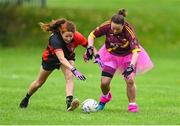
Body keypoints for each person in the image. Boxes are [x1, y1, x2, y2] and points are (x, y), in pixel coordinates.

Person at [85, 9, 154, 112]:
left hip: (128, 56)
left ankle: (132, 105)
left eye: (118, 29)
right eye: (113, 28)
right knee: (104, 83)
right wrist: (90, 47)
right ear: (111, 24)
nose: (115, 31)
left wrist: (131, 66)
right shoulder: (106, 26)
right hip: (110, 55)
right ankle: (106, 96)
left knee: (130, 80)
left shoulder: (129, 31)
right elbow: (92, 35)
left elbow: (135, 50)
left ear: (123, 25)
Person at [19, 18, 87, 111]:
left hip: (67, 57)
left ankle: (69, 103)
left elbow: (89, 46)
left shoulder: (76, 36)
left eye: (71, 36)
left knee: (69, 76)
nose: (69, 38)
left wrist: (89, 52)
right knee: (39, 82)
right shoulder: (55, 39)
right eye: (66, 36)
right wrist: (74, 70)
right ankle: (26, 97)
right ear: (61, 33)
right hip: (51, 59)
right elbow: (61, 59)